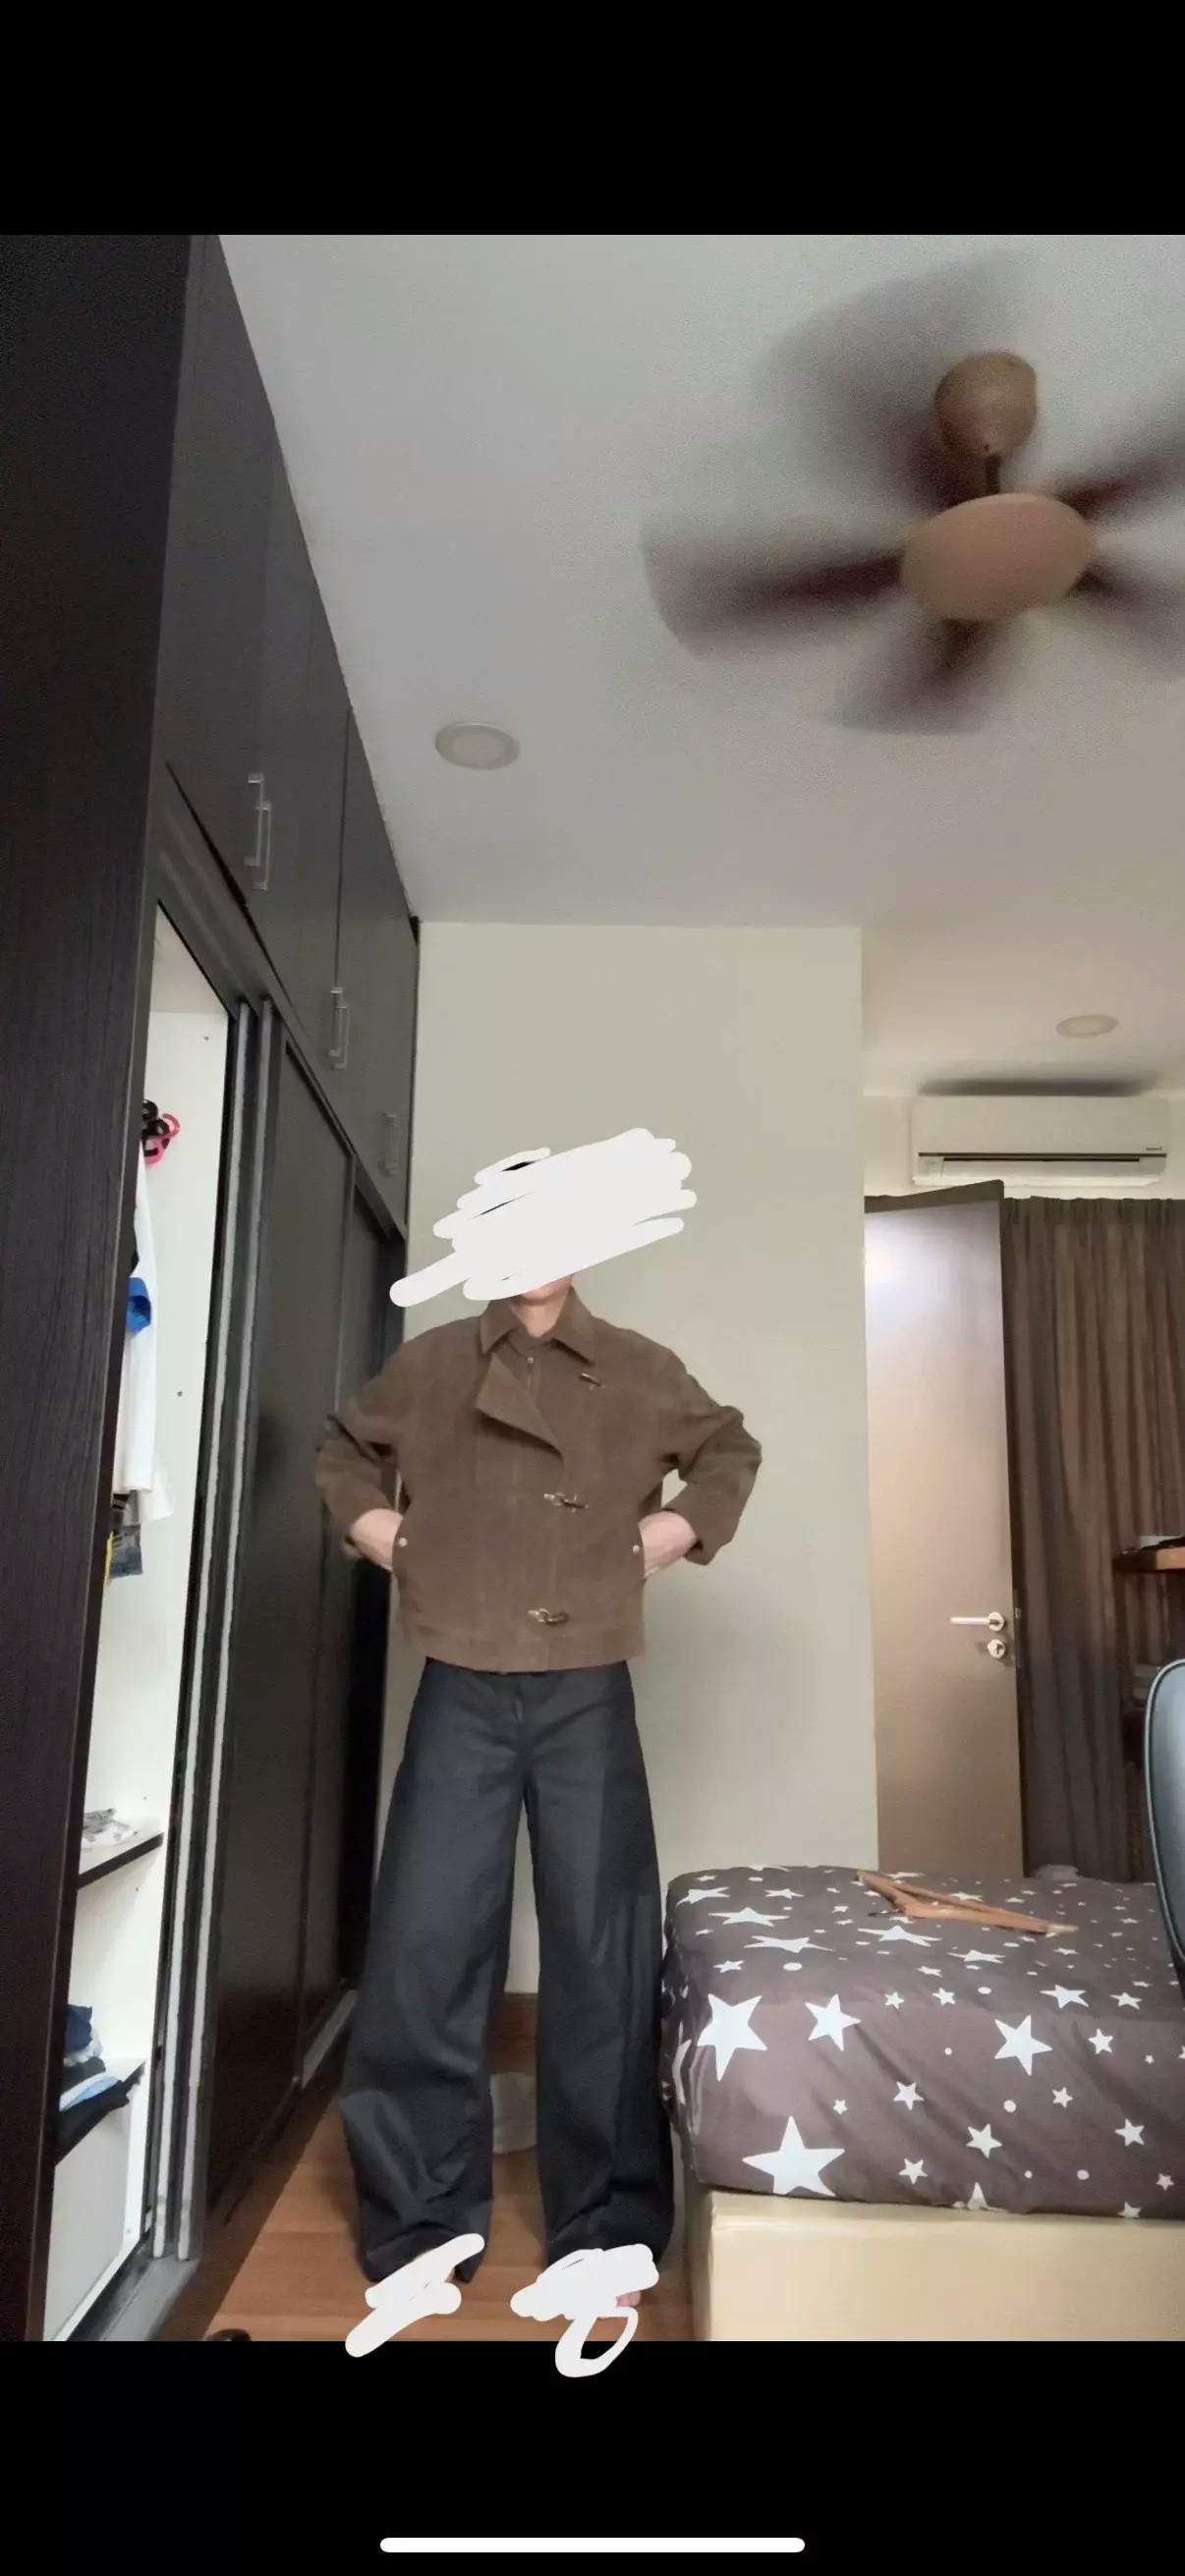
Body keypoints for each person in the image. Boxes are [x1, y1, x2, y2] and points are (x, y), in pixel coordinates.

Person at [314, 1268, 761, 2294]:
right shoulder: (432, 1363)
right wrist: (384, 1531)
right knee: (425, 1942)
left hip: (586, 1683)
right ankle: (418, 2224)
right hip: (461, 1679)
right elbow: (344, 1448)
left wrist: (674, 1530)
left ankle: (604, 2225)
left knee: (603, 1946)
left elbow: (727, 1448)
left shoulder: (638, 1366)